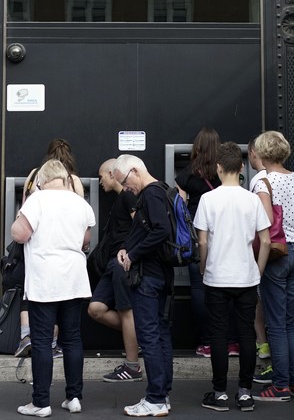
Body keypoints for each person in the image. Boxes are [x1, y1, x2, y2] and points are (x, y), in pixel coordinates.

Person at [11, 159, 95, 417]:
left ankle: (41, 402)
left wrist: (20, 215)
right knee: (72, 339)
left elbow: (19, 234)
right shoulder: (81, 203)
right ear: (66, 179)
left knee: (42, 341)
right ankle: (74, 397)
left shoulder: (37, 200)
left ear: (42, 180)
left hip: (44, 281)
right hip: (73, 280)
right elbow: (85, 240)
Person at [194, 141, 271, 413]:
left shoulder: (207, 199)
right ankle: (245, 393)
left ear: (217, 168)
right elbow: (266, 239)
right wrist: (258, 270)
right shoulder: (251, 199)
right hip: (246, 278)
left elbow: (202, 242)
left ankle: (219, 394)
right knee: (247, 335)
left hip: (217, 278)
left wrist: (204, 266)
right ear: (240, 167)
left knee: (218, 335)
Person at [252, 130, 294, 403]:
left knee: (276, 324)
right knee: (288, 321)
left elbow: (266, 220)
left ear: (262, 153)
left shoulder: (262, 180)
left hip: (276, 256)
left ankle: (280, 386)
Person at [114, 154, 173, 418]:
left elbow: (161, 231)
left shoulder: (150, 194)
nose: (126, 189)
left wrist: (134, 254)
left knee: (149, 336)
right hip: (159, 274)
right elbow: (149, 230)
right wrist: (127, 247)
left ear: (135, 171)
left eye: (126, 183)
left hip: (148, 276)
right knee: (159, 335)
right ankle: (162, 395)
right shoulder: (161, 191)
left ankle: (156, 398)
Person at [15, 138, 84, 358]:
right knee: (61, 299)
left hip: (36, 247)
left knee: (32, 291)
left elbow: (23, 211)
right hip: (67, 253)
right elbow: (81, 221)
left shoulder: (34, 175)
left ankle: (27, 336)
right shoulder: (73, 181)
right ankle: (53, 343)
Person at [87, 158, 142, 383]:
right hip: (112, 263)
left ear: (112, 174)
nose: (100, 181)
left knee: (125, 310)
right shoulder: (120, 199)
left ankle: (132, 366)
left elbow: (140, 225)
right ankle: (142, 338)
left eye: (102, 176)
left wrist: (128, 251)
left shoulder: (128, 196)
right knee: (96, 308)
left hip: (122, 262)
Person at [175, 126, 221, 358]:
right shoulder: (224, 173)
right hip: (222, 236)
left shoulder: (187, 174)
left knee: (199, 289)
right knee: (225, 290)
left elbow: (180, 208)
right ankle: (227, 340)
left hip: (196, 236)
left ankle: (206, 342)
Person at [247, 137, 272, 370]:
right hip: (289, 250)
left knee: (259, 300)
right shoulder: (292, 178)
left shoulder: (259, 180)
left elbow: (266, 220)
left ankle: (263, 346)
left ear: (254, 152)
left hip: (266, 252)